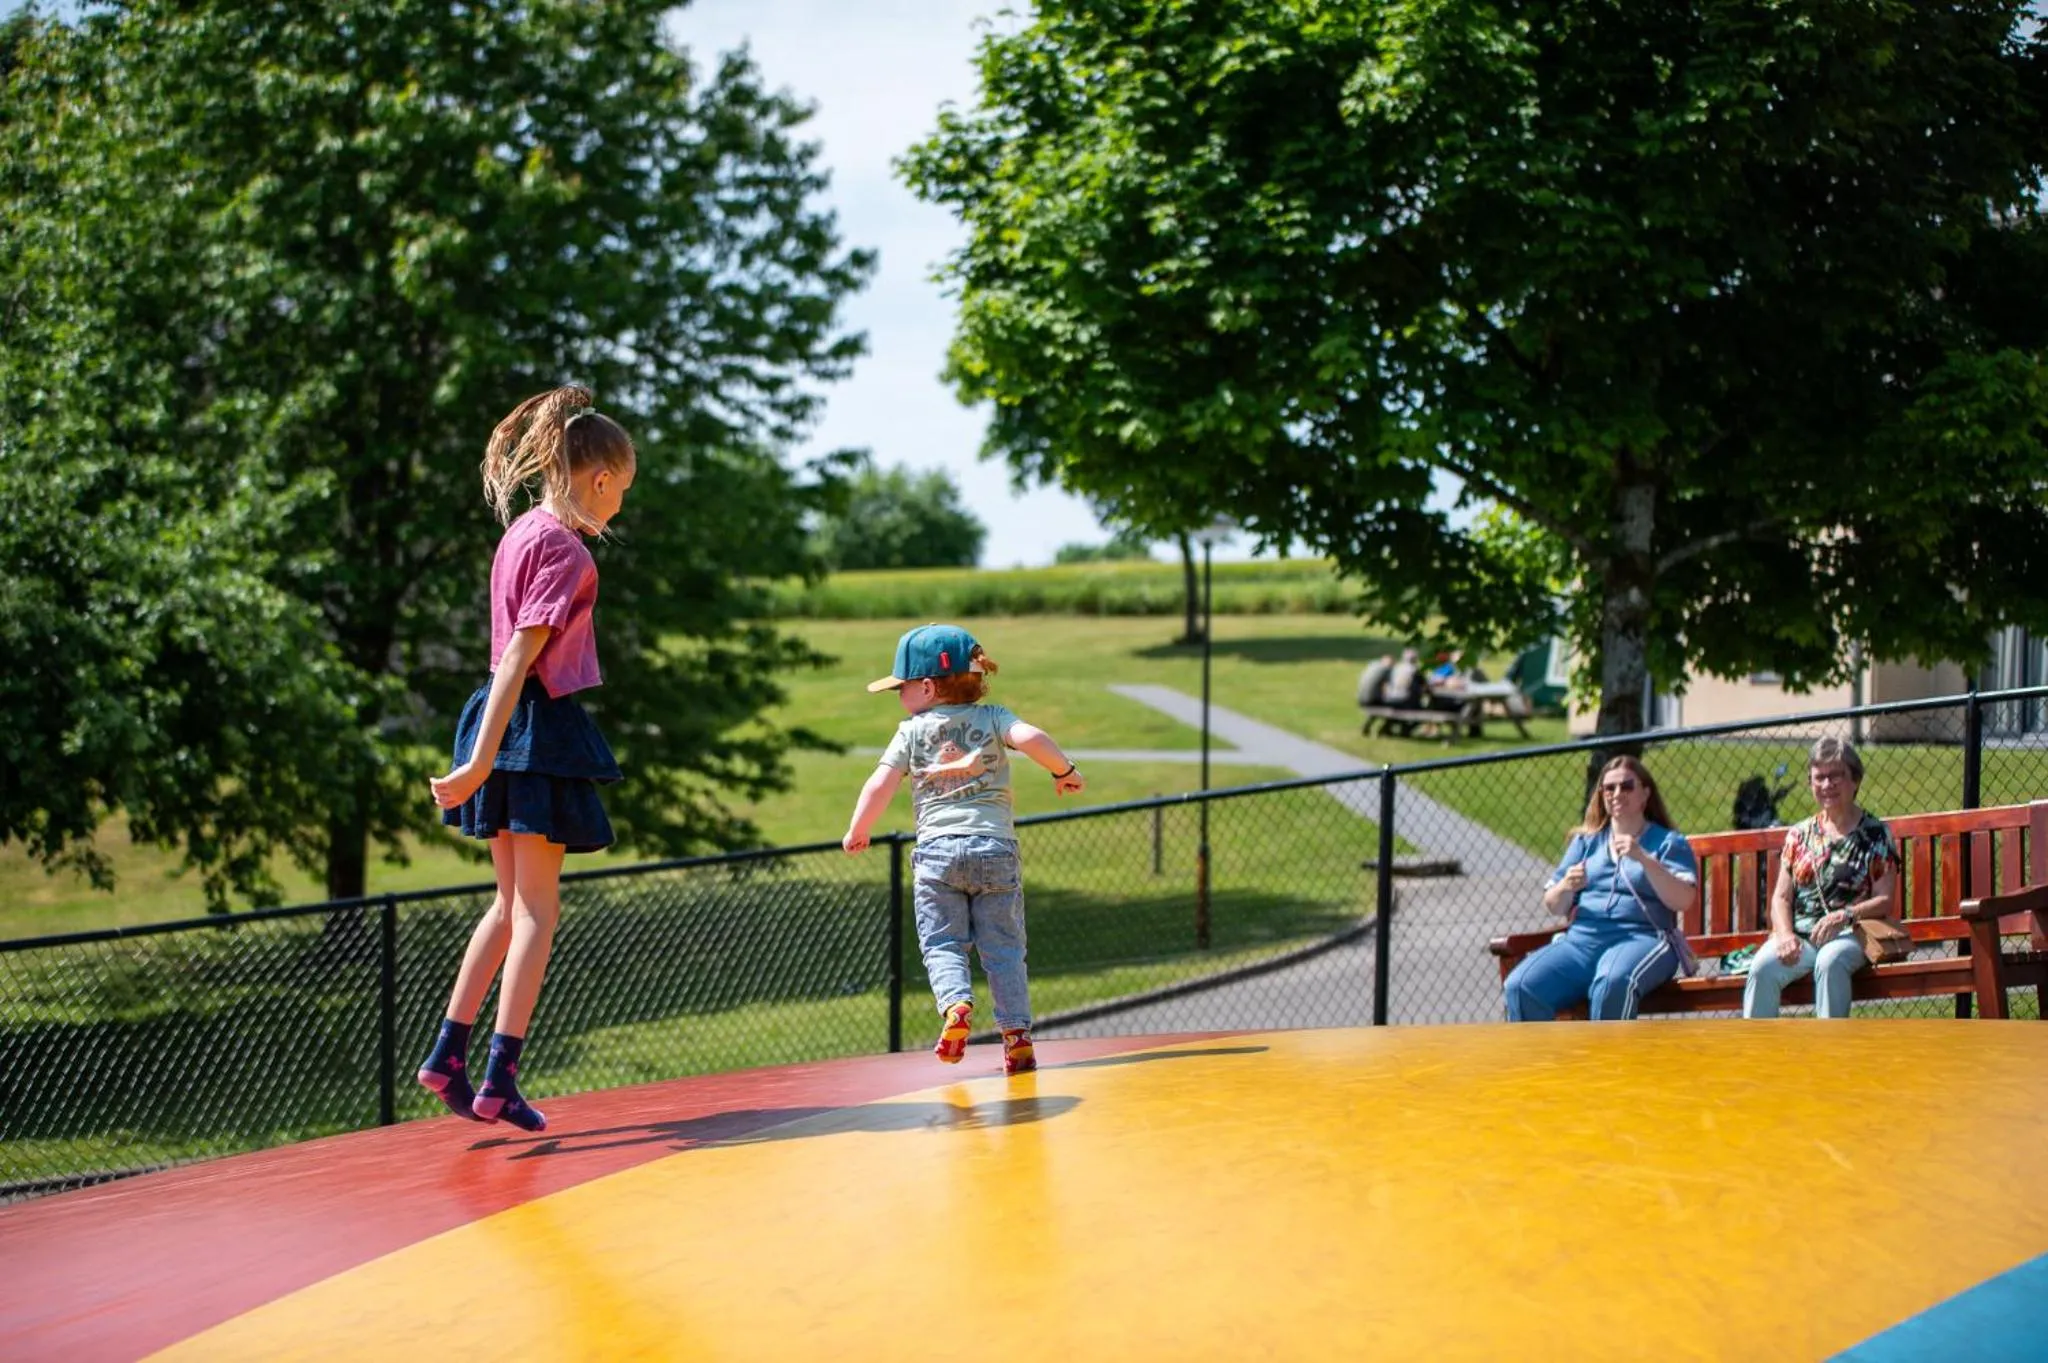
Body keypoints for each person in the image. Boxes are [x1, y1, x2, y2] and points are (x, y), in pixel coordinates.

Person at [415, 385, 637, 1132]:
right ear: (600, 478)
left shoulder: (518, 533)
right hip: (530, 729)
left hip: (503, 720)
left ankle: (448, 1054)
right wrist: (482, 763)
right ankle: (498, 1076)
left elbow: (504, 661)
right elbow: (520, 655)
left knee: (508, 907)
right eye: (621, 492)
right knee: (540, 912)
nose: (618, 509)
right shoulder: (567, 550)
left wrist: (482, 749)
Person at [841, 624, 1085, 1075]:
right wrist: (1063, 771)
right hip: (994, 849)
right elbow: (1031, 738)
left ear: (928, 687)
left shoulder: (911, 732)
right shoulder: (994, 717)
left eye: (902, 687)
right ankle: (1017, 1036)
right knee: (1005, 949)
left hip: (936, 853)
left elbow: (880, 783)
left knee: (942, 943)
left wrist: (859, 829)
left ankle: (956, 1005)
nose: (900, 697)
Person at [1504, 756, 1700, 1021]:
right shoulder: (1586, 843)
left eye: (1626, 786)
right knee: (1521, 986)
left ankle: (1608, 1064)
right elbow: (1553, 904)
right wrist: (1566, 886)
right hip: (1582, 942)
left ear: (1645, 794)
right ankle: (1545, 1063)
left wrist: (1644, 859)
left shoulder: (1666, 842)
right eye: (1609, 788)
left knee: (1612, 982)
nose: (1617, 793)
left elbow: (1684, 900)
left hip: (1644, 939)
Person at [1738, 737, 1901, 1019]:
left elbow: (1885, 900)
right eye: (1819, 778)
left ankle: (1829, 1055)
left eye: (1836, 776)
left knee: (1829, 961)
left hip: (1852, 933)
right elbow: (1781, 897)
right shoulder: (1800, 835)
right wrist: (1786, 936)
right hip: (1802, 936)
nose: (1827, 785)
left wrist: (1845, 916)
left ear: (1855, 780)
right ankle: (1757, 1057)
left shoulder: (1875, 834)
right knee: (1762, 967)